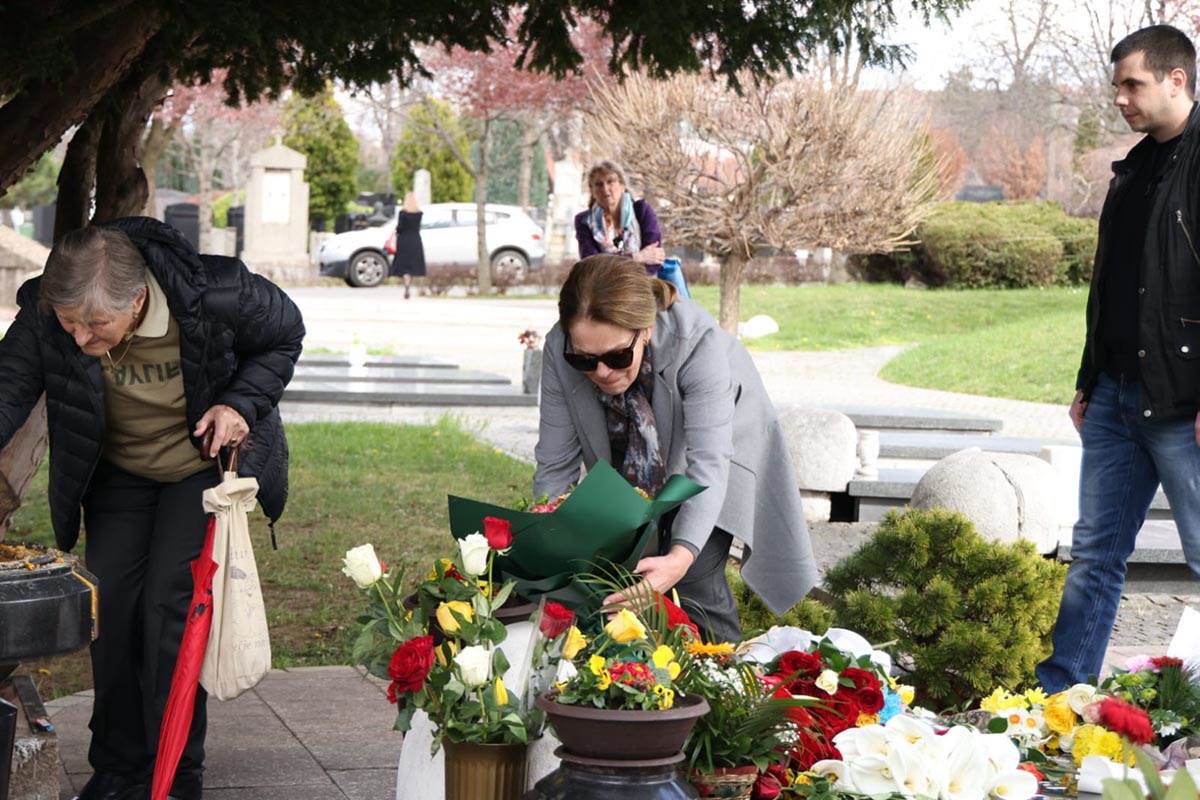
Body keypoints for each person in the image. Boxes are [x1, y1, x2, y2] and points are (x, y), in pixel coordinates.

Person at [0, 218, 305, 800]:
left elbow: (285, 333)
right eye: (71, 326)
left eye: (96, 327)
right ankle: (117, 767)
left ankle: (174, 770)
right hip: (117, 474)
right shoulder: (49, 315)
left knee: (171, 606)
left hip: (196, 470)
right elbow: (8, 386)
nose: (83, 341)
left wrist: (240, 403)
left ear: (137, 300)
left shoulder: (215, 293)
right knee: (109, 609)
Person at [533, 254, 817, 643]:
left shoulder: (699, 345)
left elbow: (708, 463)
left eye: (617, 356)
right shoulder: (559, 348)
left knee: (696, 580)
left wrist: (679, 558)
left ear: (645, 330)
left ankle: (724, 685)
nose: (601, 372)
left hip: (719, 452)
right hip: (633, 457)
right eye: (584, 359)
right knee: (608, 570)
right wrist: (549, 537)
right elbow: (555, 462)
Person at [1038, 25, 1200, 692]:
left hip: (1185, 404)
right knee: (1094, 558)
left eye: (1132, 84)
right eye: (1117, 87)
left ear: (1177, 80)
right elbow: (1112, 283)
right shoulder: (1132, 171)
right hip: (1114, 397)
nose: (1121, 99)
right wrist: (1088, 380)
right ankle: (1061, 699)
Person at [574, 160, 666, 272]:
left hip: (642, 282)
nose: (605, 189)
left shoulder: (642, 210)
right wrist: (638, 257)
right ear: (592, 191)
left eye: (610, 182)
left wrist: (610, 266)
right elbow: (591, 264)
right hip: (604, 287)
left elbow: (655, 258)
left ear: (622, 185)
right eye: (598, 184)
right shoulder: (584, 221)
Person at [389, 192, 426, 299]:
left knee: (405, 266)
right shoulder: (419, 213)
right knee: (415, 264)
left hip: (404, 240)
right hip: (415, 239)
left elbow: (400, 227)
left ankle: (407, 285)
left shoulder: (403, 213)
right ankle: (420, 287)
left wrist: (397, 230)